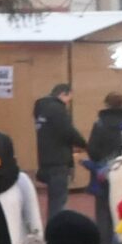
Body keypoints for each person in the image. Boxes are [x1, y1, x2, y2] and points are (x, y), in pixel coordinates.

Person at [85, 92, 122, 244]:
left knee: (103, 206)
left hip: (104, 171)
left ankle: (105, 243)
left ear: (106, 103)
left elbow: (92, 149)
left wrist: (100, 161)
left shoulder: (100, 123)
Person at [33, 82, 88, 220]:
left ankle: (52, 227)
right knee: (58, 202)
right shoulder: (57, 109)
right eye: (69, 98)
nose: (68, 103)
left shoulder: (41, 108)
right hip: (58, 160)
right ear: (63, 94)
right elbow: (68, 132)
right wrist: (84, 144)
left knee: (53, 200)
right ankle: (56, 229)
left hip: (45, 159)